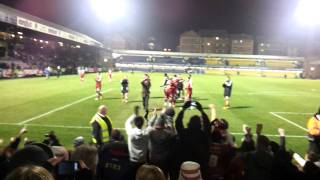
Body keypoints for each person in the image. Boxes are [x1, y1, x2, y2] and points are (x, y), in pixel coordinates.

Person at [175, 101, 211, 178]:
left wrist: (183, 110)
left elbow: (178, 123)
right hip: (200, 163)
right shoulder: (202, 134)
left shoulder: (184, 133)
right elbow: (208, 126)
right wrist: (202, 111)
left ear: (189, 123)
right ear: (200, 124)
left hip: (184, 162)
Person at [125, 106, 149, 179]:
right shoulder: (146, 133)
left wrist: (135, 114)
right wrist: (147, 118)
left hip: (133, 160)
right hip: (143, 160)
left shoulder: (130, 132)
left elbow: (127, 123)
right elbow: (150, 126)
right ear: (142, 124)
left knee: (133, 176)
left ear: (135, 123)